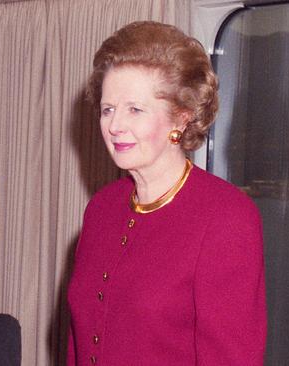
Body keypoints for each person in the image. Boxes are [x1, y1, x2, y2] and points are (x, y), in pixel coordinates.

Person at [67, 21, 266, 365]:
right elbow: (78, 341)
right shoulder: (102, 207)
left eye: (135, 109)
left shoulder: (226, 216)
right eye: (108, 109)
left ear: (181, 119)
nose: (114, 126)